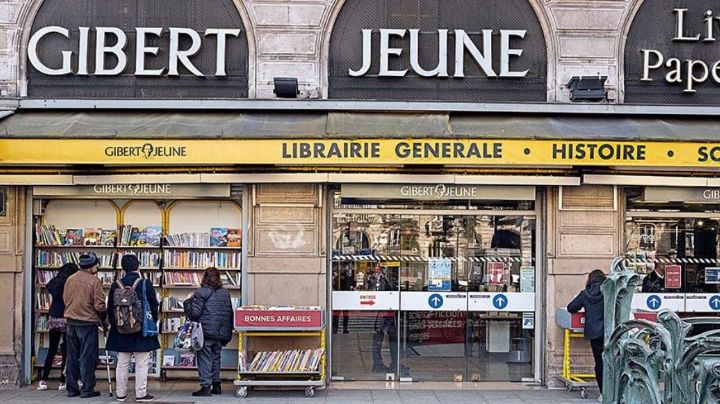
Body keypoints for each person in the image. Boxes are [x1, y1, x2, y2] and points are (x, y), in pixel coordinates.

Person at [106, 254, 160, 402]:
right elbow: (154, 305)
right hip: (141, 329)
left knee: (122, 363)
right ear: (138, 266)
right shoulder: (144, 283)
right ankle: (141, 394)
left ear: (123, 268)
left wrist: (115, 324)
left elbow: (110, 308)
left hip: (121, 329)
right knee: (142, 363)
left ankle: (121, 394)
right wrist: (151, 322)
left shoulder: (116, 284)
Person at [183, 267, 233, 397]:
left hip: (206, 332)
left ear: (205, 277)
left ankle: (205, 386)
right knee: (216, 358)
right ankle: (216, 385)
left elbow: (194, 314)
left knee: (204, 358)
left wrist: (188, 301)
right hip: (221, 332)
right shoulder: (225, 293)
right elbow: (229, 313)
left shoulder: (201, 292)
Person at [63, 253, 107, 398]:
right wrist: (105, 323)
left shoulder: (70, 279)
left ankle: (72, 388)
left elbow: (65, 298)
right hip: (87, 323)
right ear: (92, 267)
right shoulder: (94, 281)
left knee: (72, 356)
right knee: (88, 356)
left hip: (71, 322)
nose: (98, 268)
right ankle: (87, 388)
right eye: (96, 265)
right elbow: (99, 305)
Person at [37, 262, 78, 391]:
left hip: (54, 316)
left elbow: (48, 287)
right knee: (66, 350)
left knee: (52, 349)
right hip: (67, 316)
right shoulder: (71, 282)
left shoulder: (55, 281)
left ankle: (43, 380)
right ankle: (62, 381)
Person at [567, 269, 606, 401]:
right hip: (609, 331)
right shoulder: (609, 291)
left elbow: (571, 308)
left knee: (599, 361)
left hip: (594, 332)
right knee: (610, 361)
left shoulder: (585, 294)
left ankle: (603, 393)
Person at [332, 264, 355, 334]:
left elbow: (335, 286)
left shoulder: (339, 277)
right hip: (345, 298)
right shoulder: (346, 277)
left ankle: (335, 328)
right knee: (345, 314)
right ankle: (344, 328)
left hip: (339, 297)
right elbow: (351, 287)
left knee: (337, 314)